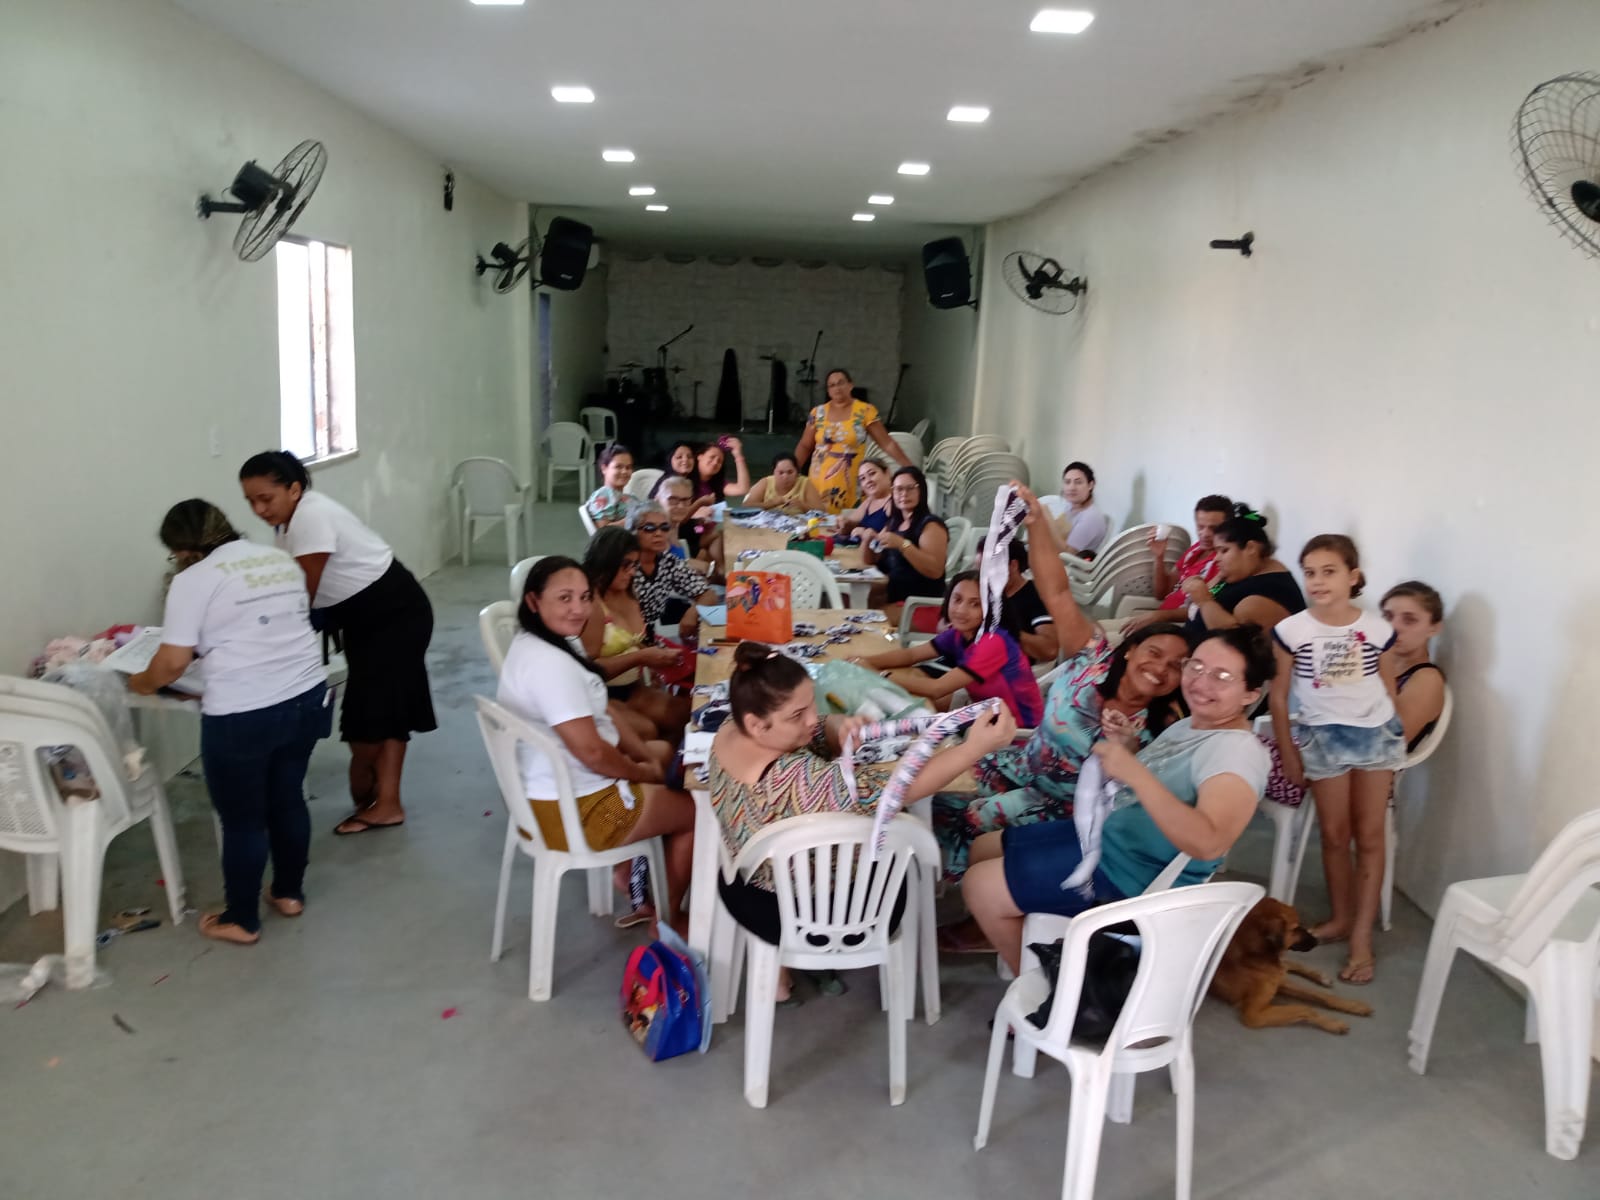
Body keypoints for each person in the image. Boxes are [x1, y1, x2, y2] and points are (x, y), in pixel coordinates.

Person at [961, 624, 1276, 973]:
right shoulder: (1193, 725)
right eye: (1196, 666)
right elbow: (1165, 783)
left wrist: (1134, 772)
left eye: (1222, 676)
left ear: (1251, 694)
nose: (1201, 683)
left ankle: (1051, 990)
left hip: (1132, 880)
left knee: (980, 887)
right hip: (1108, 841)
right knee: (983, 848)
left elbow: (1210, 842)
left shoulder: (1236, 752)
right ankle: (1033, 939)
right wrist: (1129, 748)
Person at [710, 640, 1015, 1000]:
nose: (812, 718)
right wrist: (974, 748)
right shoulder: (799, 778)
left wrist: (837, 725)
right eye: (797, 715)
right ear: (757, 724)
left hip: (741, 884)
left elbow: (814, 727)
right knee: (902, 851)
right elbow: (900, 788)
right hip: (803, 915)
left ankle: (778, 974)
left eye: (812, 705)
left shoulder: (729, 730)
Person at [931, 483, 1189, 897]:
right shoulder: (1093, 657)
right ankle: (956, 882)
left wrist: (1127, 750)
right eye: (1154, 653)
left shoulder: (1164, 724)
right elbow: (1056, 591)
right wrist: (1036, 524)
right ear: (1131, 649)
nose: (1160, 669)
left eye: (1177, 666)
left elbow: (1137, 796)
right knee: (938, 789)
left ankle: (981, 898)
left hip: (1063, 808)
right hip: (1022, 763)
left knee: (977, 816)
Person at [127, 500, 328, 945]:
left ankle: (241, 919)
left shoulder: (193, 580)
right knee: (288, 800)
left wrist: (140, 682)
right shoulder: (277, 559)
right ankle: (289, 894)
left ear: (181, 549)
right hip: (307, 696)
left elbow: (172, 664)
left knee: (242, 820)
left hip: (244, 714)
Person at [239, 451, 435, 837]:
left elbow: (301, 594)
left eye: (266, 498)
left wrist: (260, 635)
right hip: (365, 618)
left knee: (372, 717)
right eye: (251, 501)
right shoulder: (287, 523)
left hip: (393, 614)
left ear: (294, 489)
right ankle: (388, 803)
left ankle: (378, 791)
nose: (259, 509)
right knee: (386, 709)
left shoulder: (310, 516)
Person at [498, 556, 696, 931]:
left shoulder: (546, 642)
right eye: (565, 598)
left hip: (554, 793)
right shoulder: (549, 665)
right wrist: (640, 770)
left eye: (585, 597)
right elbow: (592, 752)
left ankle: (627, 874)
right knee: (697, 809)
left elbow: (603, 706)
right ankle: (664, 917)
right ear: (533, 601)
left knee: (664, 757)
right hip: (578, 812)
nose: (578, 609)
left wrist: (643, 757)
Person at [1271, 535, 1404, 986]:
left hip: (1374, 738)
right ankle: (1341, 918)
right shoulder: (1292, 631)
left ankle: (1361, 935)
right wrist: (1289, 750)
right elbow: (1279, 695)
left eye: (1329, 571)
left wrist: (1392, 738)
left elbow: (1388, 688)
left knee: (1370, 836)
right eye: (1310, 572)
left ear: (1353, 576)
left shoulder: (1378, 630)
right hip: (1322, 739)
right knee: (1333, 835)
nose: (1318, 581)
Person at [853, 571, 1044, 726]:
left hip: (1016, 732)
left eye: (975, 604)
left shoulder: (994, 642)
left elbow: (937, 688)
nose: (961, 610)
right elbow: (911, 654)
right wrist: (863, 661)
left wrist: (878, 675)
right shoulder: (959, 633)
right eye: (957, 599)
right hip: (986, 717)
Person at [580, 527, 689, 741]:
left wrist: (655, 659)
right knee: (650, 729)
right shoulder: (591, 605)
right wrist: (641, 658)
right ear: (605, 563)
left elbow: (633, 640)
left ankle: (667, 758)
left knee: (685, 714)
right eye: (626, 565)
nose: (632, 572)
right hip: (602, 697)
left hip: (633, 688)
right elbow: (590, 670)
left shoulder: (628, 592)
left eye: (634, 565)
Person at [795, 367, 912, 513]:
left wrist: (909, 467)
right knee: (818, 519)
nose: (837, 388)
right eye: (832, 385)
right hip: (818, 481)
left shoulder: (865, 411)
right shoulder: (817, 413)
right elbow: (805, 446)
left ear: (850, 385)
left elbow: (887, 443)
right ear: (828, 390)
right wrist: (792, 470)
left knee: (850, 520)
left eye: (841, 383)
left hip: (851, 481)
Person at [1183, 505, 1305, 637]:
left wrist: (1204, 600)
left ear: (1251, 548)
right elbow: (1195, 605)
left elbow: (1233, 641)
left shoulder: (1263, 597)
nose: (1216, 558)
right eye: (1217, 551)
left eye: (1224, 550)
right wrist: (1197, 588)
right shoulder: (1239, 572)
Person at [1121, 494, 1233, 633]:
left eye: (1213, 528)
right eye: (1200, 526)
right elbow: (1161, 593)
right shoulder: (1196, 549)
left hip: (1178, 628)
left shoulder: (1223, 561)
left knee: (1104, 640)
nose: (1205, 534)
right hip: (1160, 620)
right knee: (1100, 631)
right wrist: (1159, 556)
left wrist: (1159, 616)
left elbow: (1201, 609)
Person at [860, 466, 949, 611]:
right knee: (855, 604)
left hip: (919, 605)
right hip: (895, 598)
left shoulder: (931, 525)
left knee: (867, 617)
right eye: (899, 489)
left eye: (910, 488)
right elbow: (870, 560)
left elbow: (935, 571)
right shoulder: (894, 523)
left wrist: (903, 545)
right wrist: (867, 540)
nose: (904, 494)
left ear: (921, 491)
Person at [631, 499, 717, 638]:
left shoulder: (666, 561)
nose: (659, 533)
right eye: (649, 528)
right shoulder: (626, 566)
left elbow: (708, 594)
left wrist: (692, 613)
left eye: (664, 527)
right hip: (626, 637)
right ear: (633, 532)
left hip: (650, 636)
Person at [1379, 580, 1447, 752]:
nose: (1393, 627)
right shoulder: (1373, 662)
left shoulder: (1427, 679)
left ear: (1433, 628)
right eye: (1388, 616)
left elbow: (1386, 742)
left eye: (1409, 620)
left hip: (1362, 764)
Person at [978, 538, 1058, 662]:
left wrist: (1007, 630)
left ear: (1013, 565)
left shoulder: (1035, 596)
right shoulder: (980, 590)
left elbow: (1050, 649)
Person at [1049, 462, 1110, 559]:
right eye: (1067, 482)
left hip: (1065, 565)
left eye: (1078, 482)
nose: (1071, 488)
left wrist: (1048, 521)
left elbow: (1068, 554)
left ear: (1090, 485)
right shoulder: (1070, 507)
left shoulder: (1091, 518)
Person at [745, 452, 828, 514]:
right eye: (781, 473)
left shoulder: (805, 483)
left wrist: (802, 506)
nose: (785, 477)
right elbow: (746, 506)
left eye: (790, 472)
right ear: (774, 472)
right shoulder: (765, 482)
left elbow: (821, 511)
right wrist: (772, 503)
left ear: (797, 472)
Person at [837, 458, 894, 541]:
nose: (868, 481)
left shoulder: (895, 502)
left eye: (872, 474)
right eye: (863, 478)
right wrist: (843, 523)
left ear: (887, 473)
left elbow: (889, 540)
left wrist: (865, 534)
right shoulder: (869, 501)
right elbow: (850, 523)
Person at [584, 444, 640, 528]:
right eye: (618, 467)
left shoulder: (628, 496)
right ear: (604, 469)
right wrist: (634, 519)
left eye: (628, 467)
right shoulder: (603, 496)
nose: (624, 471)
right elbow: (605, 531)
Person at [688, 438, 750, 511]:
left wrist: (738, 455)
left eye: (719, 461)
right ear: (699, 456)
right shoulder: (684, 479)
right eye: (712, 457)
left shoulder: (718, 483)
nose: (715, 463)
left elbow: (742, 489)